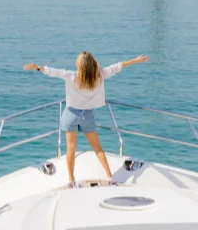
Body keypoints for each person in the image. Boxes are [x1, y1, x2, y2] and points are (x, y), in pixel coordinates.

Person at [24, 52, 149, 186]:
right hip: (87, 116)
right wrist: (136, 60)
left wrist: (37, 67)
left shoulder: (71, 76)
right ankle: (109, 176)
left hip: (70, 115)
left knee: (70, 149)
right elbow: (117, 67)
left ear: (79, 65)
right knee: (98, 148)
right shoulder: (99, 76)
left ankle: (71, 180)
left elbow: (53, 72)